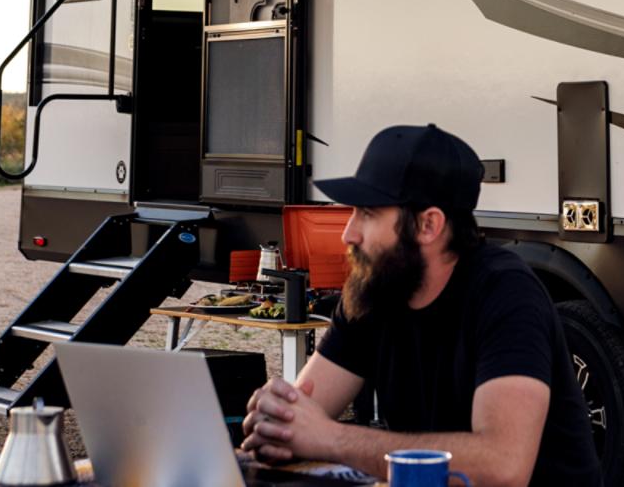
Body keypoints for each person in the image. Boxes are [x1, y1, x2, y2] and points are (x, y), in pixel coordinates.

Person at [242, 124, 601, 486]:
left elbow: (503, 467)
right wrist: (279, 424)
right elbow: (306, 415)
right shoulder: (375, 289)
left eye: (367, 213)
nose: (348, 233)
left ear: (428, 225)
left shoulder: (506, 293)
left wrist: (331, 438)